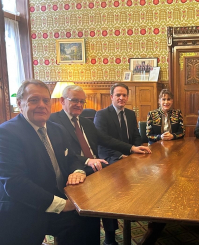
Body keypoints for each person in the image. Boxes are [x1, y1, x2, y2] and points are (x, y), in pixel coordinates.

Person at [0, 80, 99, 245]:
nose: (42, 105)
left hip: (57, 197)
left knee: (90, 218)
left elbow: (73, 158)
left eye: (46, 100)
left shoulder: (56, 129)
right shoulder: (6, 134)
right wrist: (63, 205)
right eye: (34, 100)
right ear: (20, 103)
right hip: (24, 206)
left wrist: (77, 171)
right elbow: (15, 184)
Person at [49, 85, 151, 245]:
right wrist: (86, 161)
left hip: (97, 168)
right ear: (62, 100)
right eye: (74, 100)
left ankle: (110, 237)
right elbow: (60, 151)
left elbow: (106, 140)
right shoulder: (53, 122)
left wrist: (132, 148)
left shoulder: (86, 122)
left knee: (114, 190)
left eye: (82, 101)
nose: (79, 105)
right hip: (75, 172)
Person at [94, 83, 142, 164]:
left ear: (127, 97)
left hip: (130, 153)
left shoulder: (131, 114)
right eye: (118, 95)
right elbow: (103, 140)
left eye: (124, 95)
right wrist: (121, 155)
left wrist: (137, 149)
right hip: (111, 156)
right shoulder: (102, 114)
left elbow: (136, 136)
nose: (121, 98)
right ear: (111, 97)